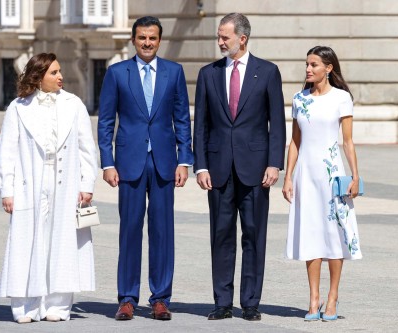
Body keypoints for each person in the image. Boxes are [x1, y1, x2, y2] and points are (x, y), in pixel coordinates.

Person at [97, 16, 193, 321]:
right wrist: (108, 162)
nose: (147, 43)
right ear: (133, 40)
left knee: (163, 231)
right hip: (129, 163)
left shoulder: (174, 72)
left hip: (164, 162)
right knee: (130, 229)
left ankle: (160, 297)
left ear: (159, 40)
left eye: (152, 38)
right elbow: (106, 122)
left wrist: (185, 160)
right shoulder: (116, 73)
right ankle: (127, 297)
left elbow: (182, 119)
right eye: (142, 38)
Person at [193, 13, 286, 321]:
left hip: (256, 169)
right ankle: (222, 302)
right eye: (219, 37)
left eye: (225, 37)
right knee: (220, 235)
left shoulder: (268, 72)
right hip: (218, 169)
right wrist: (200, 166)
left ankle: (250, 303)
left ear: (242, 39)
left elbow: (277, 123)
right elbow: (201, 125)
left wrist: (275, 163)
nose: (220, 42)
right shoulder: (208, 74)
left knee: (253, 235)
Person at [0, 53, 98, 324]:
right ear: (38, 77)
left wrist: (87, 184)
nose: (60, 76)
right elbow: (6, 152)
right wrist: (7, 189)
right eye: (53, 72)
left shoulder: (74, 105)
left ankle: (58, 307)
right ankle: (26, 306)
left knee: (63, 243)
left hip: (66, 185)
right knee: (28, 242)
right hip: (30, 185)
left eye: (60, 71)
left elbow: (88, 149)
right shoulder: (18, 107)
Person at [282, 46, 363, 322]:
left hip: (332, 173)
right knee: (311, 234)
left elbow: (348, 141)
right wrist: (288, 177)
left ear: (328, 68)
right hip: (306, 174)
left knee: (334, 235)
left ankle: (332, 297)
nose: (308, 69)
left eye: (313, 65)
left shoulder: (341, 98)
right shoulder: (298, 99)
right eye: (307, 64)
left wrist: (355, 176)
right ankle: (313, 298)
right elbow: (295, 141)